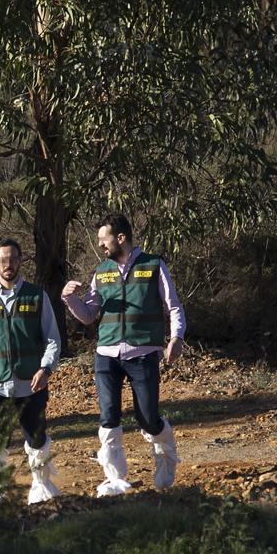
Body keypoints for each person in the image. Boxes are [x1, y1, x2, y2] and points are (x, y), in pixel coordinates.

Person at [61, 213, 185, 497]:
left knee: (148, 418)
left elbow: (174, 307)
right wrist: (69, 299)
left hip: (143, 353)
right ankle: (116, 480)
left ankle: (166, 452)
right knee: (108, 416)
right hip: (107, 354)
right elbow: (89, 315)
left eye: (104, 240)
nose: (101, 246)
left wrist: (176, 338)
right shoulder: (101, 271)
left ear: (120, 238)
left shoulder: (153, 265)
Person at [0, 238, 62, 504]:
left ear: (21, 261)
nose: (8, 265)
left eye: (13, 259)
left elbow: (53, 338)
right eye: (3, 260)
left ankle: (41, 491)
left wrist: (46, 368)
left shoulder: (36, 295)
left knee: (37, 439)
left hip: (30, 383)